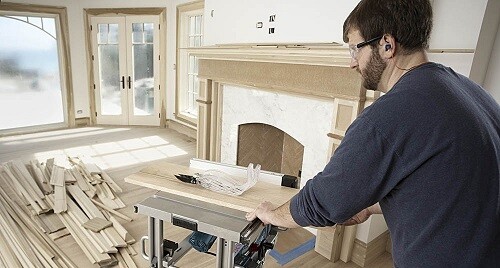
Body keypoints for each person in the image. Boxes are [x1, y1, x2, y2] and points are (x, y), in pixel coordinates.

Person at [245, 0, 500, 267]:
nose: (351, 63)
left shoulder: (394, 113)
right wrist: (370, 205)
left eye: (355, 49)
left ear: (387, 45)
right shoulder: (470, 91)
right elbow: (443, 189)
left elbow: (323, 200)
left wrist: (273, 215)